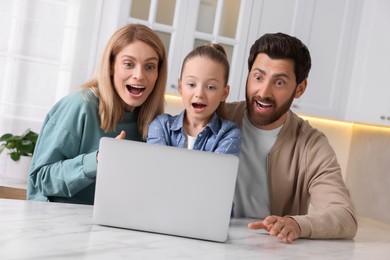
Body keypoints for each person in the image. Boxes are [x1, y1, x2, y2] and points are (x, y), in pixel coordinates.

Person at [226, 32, 358, 243]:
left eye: (279, 83)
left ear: (300, 89)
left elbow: (345, 217)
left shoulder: (311, 145)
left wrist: (297, 224)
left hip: (272, 248)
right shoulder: (219, 117)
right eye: (258, 77)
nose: (264, 92)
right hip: (212, 241)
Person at [27, 24, 167, 205]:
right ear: (110, 66)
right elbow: (40, 179)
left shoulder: (155, 125)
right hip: (60, 224)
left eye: (150, 66)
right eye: (128, 64)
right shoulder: (80, 106)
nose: (139, 75)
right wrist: (98, 160)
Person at [147, 43, 241, 155]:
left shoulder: (229, 134)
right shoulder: (161, 125)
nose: (199, 94)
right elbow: (156, 168)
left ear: (224, 93)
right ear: (180, 87)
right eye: (191, 84)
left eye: (211, 87)